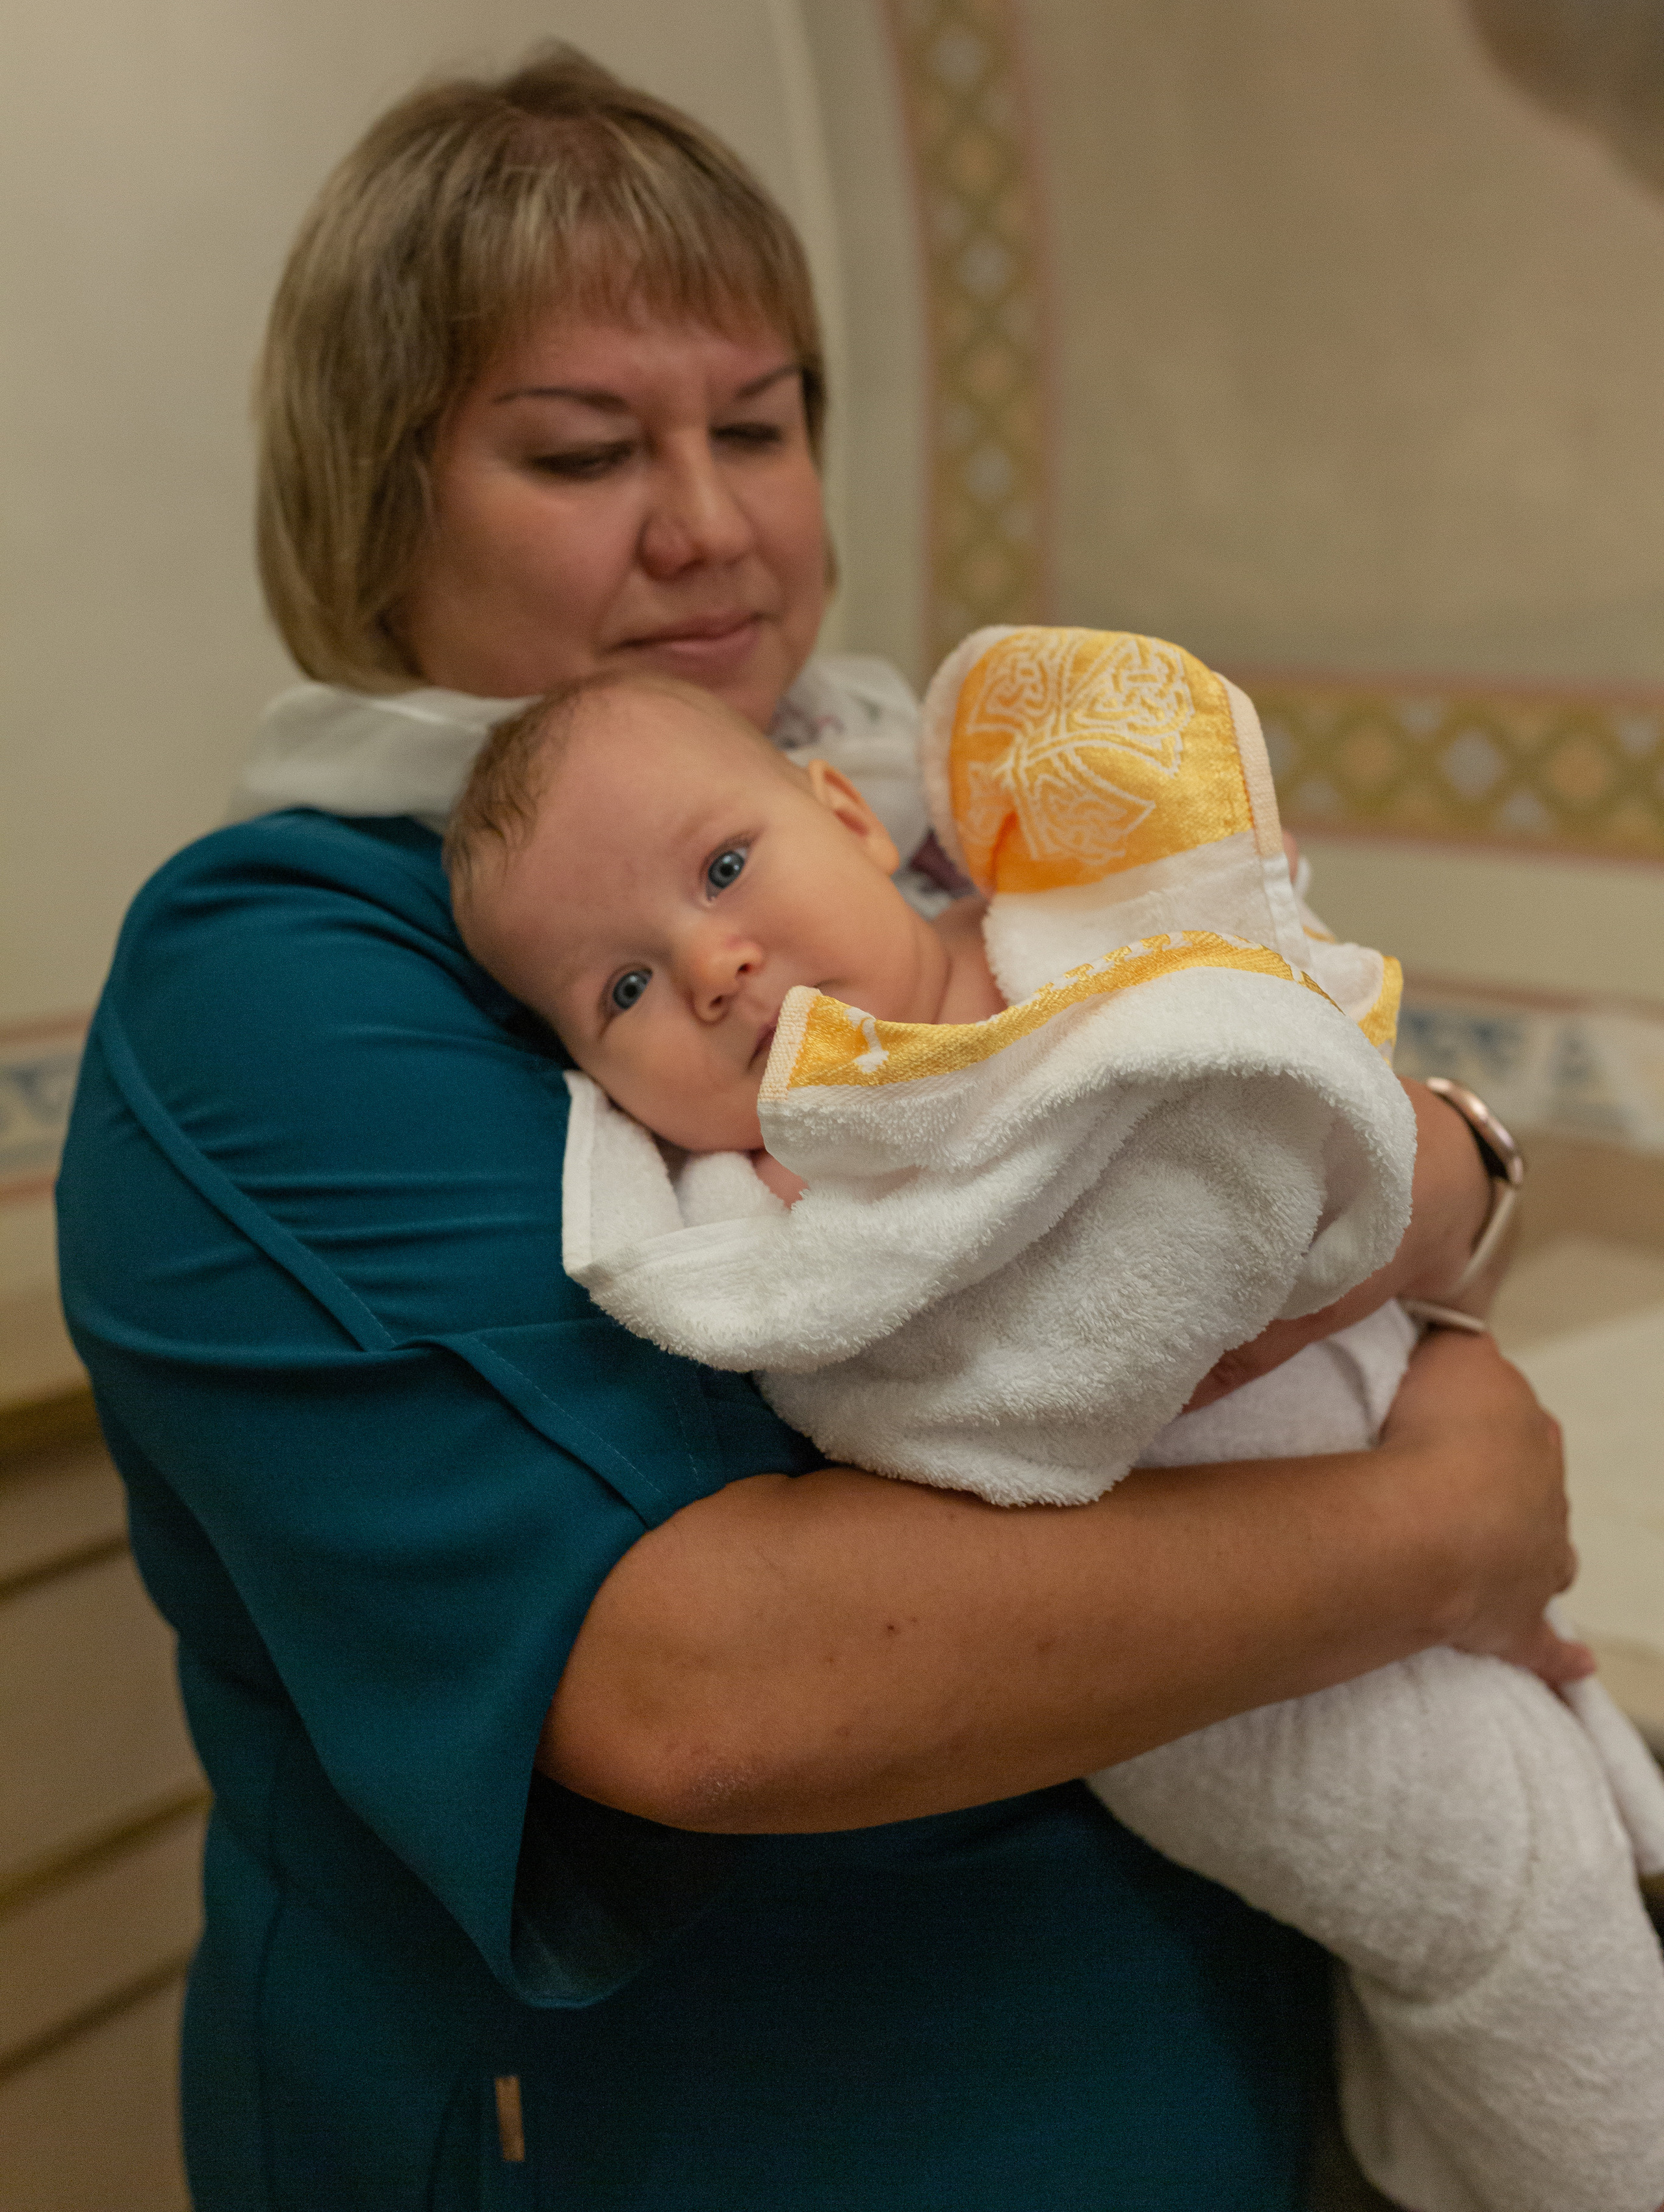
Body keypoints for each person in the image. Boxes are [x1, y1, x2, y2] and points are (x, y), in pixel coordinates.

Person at [56, 46, 1583, 2212]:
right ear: (376, 504)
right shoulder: (289, 974)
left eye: (758, 425)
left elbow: (1316, 1121)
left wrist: (1447, 1176)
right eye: (585, 451)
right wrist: (1444, 1528)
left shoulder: (922, 800)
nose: (712, 522)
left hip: (1191, 2034)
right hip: (714, 2126)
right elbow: (708, 1689)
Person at [444, 649, 1664, 2212]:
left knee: (1537, 1835)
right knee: (1500, 1903)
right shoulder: (798, 1209)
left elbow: (1319, 1064)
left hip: (1371, 1457)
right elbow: (946, 1403)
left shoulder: (1069, 932)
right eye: (621, 988)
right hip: (1197, 1677)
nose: (715, 967)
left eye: (724, 867)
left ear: (848, 814)